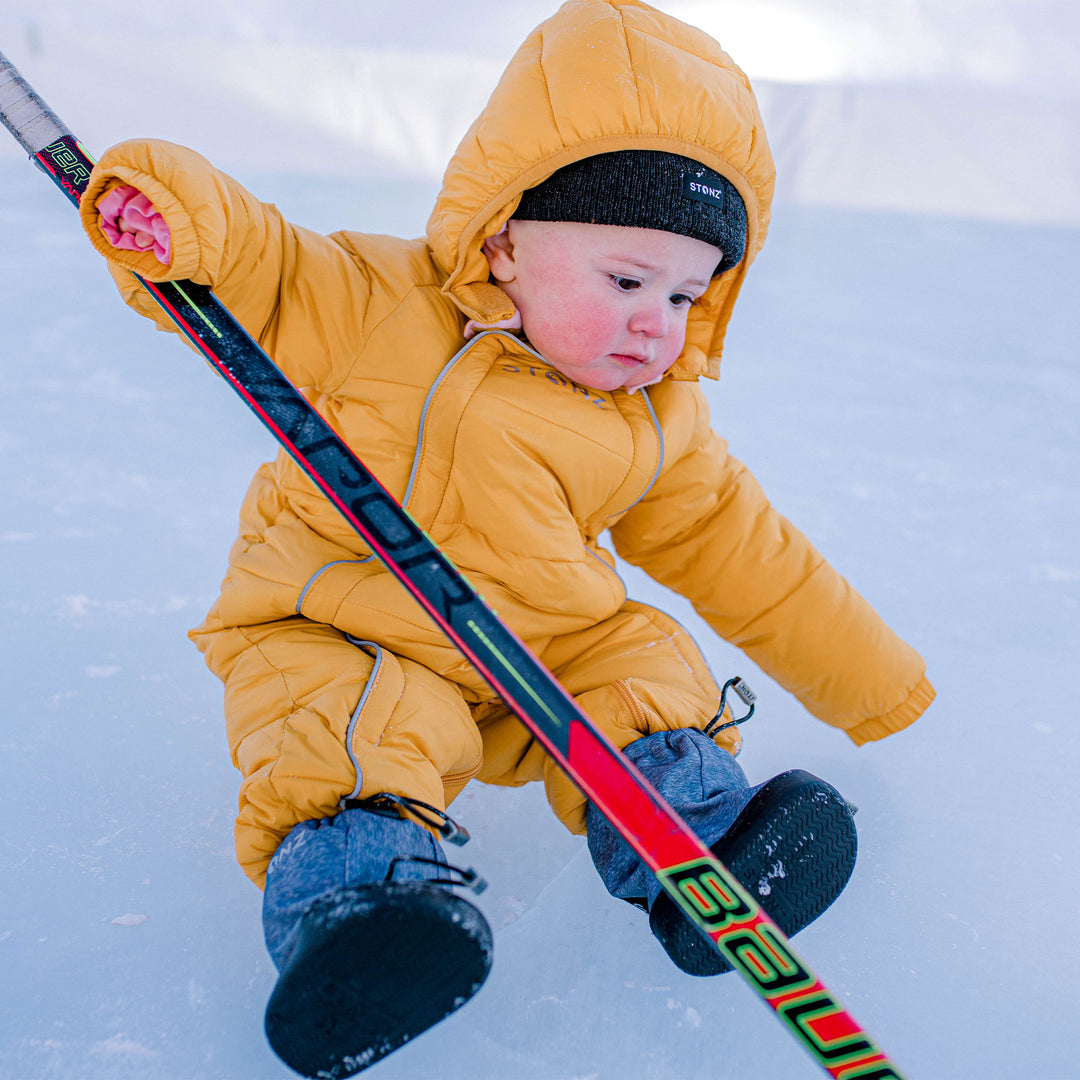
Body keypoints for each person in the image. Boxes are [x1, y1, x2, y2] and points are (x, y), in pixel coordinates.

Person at [78, 1, 935, 1076]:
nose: (655, 323)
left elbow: (746, 552)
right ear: (504, 238)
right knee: (340, 727)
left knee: (643, 658)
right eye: (626, 281)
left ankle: (690, 828)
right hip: (349, 623)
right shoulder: (380, 306)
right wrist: (177, 217)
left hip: (538, 652)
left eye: (686, 292)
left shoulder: (656, 420)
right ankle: (363, 902)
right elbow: (267, 268)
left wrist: (880, 687)